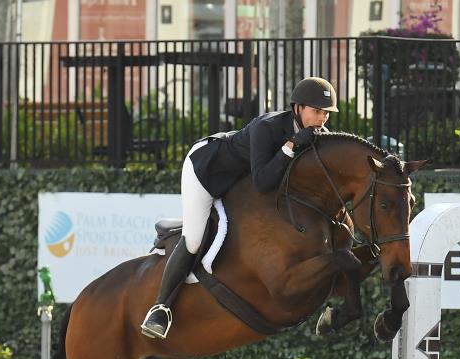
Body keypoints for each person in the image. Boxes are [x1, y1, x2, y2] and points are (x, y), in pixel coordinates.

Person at [139, 77, 339, 339]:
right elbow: (264, 181)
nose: (322, 118)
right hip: (207, 171)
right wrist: (291, 145)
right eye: (317, 111)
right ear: (298, 108)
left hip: (238, 183)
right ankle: (160, 308)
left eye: (326, 113)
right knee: (195, 239)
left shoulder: (313, 132)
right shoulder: (267, 128)